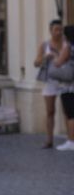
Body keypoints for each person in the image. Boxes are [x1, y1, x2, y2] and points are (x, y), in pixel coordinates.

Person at [34, 19, 72, 149]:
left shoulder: (67, 44)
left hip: (65, 80)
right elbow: (36, 63)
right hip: (50, 81)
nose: (59, 32)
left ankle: (70, 139)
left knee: (68, 111)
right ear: (50, 31)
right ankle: (49, 139)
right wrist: (45, 57)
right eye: (56, 30)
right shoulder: (45, 45)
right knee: (50, 111)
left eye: (61, 30)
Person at [57, 25, 74, 151]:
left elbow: (59, 62)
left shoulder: (68, 47)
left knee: (70, 114)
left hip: (69, 86)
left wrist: (53, 58)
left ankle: (71, 140)